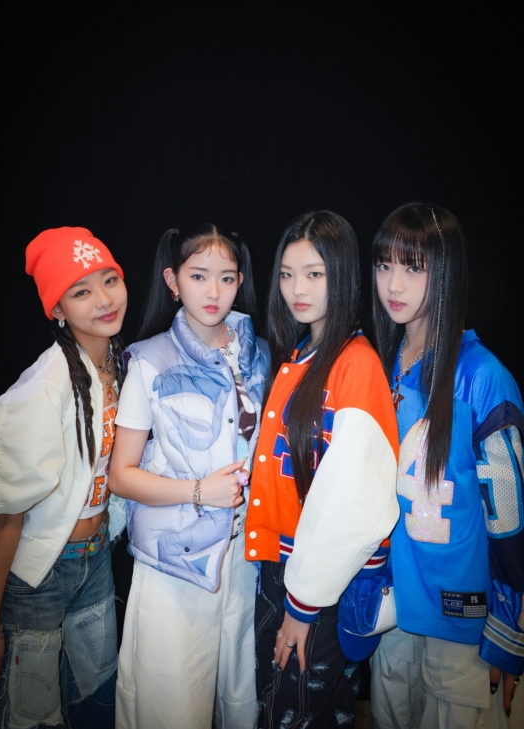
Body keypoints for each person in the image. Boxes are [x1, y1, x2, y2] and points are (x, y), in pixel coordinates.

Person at [0, 226, 127, 729]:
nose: (104, 300)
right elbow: (7, 512)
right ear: (57, 309)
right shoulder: (45, 384)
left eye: (110, 280)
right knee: (30, 717)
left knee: (96, 702)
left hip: (95, 560)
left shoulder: (118, 362)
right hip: (40, 575)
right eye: (81, 292)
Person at [108, 223, 269, 729]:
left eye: (226, 277)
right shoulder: (150, 361)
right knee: (172, 707)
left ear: (240, 281)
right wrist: (201, 491)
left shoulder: (261, 356)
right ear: (173, 281)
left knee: (241, 704)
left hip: (243, 560)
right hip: (174, 563)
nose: (213, 291)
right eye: (198, 276)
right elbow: (120, 476)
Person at [369, 202, 524, 729]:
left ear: (447, 270)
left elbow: (509, 516)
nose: (394, 284)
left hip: (462, 620)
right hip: (394, 606)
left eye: (414, 267)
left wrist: (509, 630)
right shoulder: (383, 363)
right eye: (384, 264)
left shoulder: (482, 377)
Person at [244, 210, 400, 727]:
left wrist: (303, 605)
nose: (297, 289)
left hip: (321, 586)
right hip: (292, 573)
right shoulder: (304, 353)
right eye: (287, 274)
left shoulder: (355, 364)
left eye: (315, 274)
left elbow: (352, 503)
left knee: (297, 714)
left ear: (343, 275)